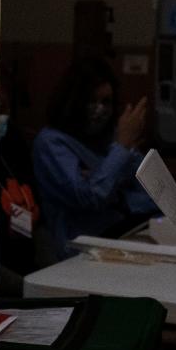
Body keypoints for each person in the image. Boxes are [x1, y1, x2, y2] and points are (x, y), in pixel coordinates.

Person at [32, 57, 157, 259]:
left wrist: (116, 193)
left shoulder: (110, 139)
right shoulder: (52, 142)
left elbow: (152, 195)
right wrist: (121, 150)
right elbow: (90, 197)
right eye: (91, 101)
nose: (99, 110)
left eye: (105, 102)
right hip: (82, 248)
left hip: (128, 232)